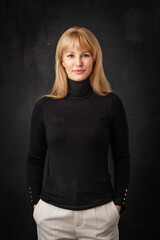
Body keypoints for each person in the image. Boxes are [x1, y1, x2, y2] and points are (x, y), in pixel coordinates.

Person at [26, 26, 131, 240]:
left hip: (100, 215)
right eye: (71, 55)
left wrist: (118, 204)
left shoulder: (111, 104)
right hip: (52, 216)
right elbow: (34, 160)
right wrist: (37, 205)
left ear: (94, 59)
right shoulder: (44, 107)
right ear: (61, 60)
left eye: (85, 55)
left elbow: (122, 158)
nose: (78, 63)